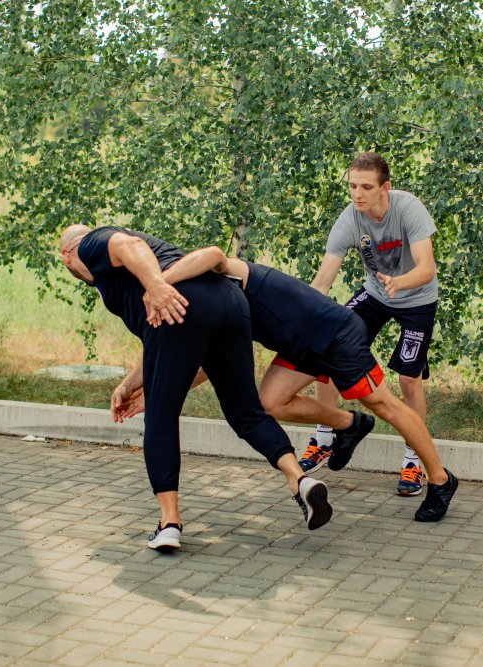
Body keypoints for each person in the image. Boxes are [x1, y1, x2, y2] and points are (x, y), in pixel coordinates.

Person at [132, 246, 459, 522]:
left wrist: (159, 282)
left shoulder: (226, 273)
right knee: (270, 402)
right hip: (301, 346)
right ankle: (349, 425)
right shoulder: (215, 306)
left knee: (385, 405)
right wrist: (158, 390)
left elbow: (215, 254)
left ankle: (441, 480)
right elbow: (208, 364)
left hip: (334, 334)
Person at [58, 224, 333, 551]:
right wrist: (128, 384)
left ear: (66, 256)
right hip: (227, 302)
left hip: (184, 308)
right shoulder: (117, 275)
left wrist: (157, 286)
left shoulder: (91, 243)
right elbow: (159, 337)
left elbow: (129, 246)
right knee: (245, 412)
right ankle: (300, 480)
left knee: (160, 417)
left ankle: (169, 524)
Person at [307, 152, 439, 497]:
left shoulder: (408, 209)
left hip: (417, 299)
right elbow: (323, 280)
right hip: (376, 295)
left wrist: (400, 282)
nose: (357, 194)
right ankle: (324, 437)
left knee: (408, 378)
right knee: (327, 346)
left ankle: (413, 460)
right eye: (352, 186)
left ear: (385, 187)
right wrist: (299, 317)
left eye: (366, 187)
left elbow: (427, 268)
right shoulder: (350, 218)